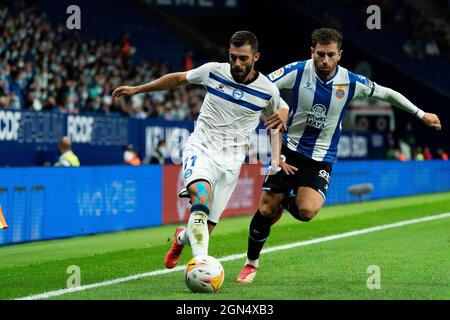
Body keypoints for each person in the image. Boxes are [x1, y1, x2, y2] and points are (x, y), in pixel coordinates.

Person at [236, 27, 442, 283]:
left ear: (340, 55)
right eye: (320, 54)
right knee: (265, 209)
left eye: (330, 55)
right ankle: (251, 263)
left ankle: (285, 203)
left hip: (321, 157)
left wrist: (421, 114)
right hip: (289, 149)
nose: (324, 60)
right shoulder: (297, 71)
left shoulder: (351, 81)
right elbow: (263, 86)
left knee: (307, 211)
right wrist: (275, 107)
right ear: (312, 51)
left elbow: (387, 93)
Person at [112, 31, 290, 269]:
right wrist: (138, 90)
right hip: (201, 148)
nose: (237, 63)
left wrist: (276, 160)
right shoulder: (214, 71)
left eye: (243, 59)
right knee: (201, 197)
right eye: (233, 57)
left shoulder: (267, 90)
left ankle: (181, 238)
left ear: (256, 57)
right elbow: (178, 79)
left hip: (231, 163)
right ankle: (201, 267)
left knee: (202, 230)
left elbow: (276, 124)